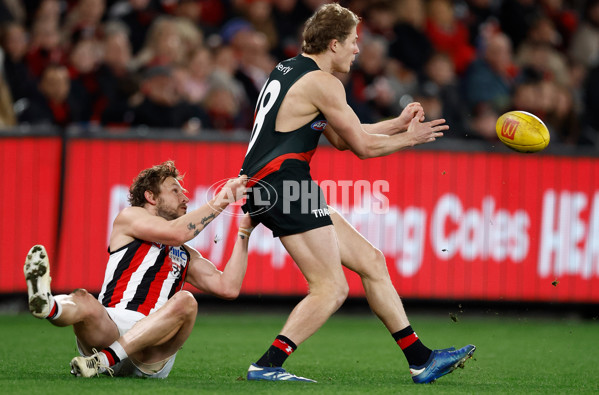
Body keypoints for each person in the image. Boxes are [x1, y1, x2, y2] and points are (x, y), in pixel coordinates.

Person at [239, 3, 475, 384]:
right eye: (353, 41)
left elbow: (342, 137)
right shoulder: (323, 82)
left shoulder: (289, 70)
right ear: (333, 43)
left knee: (371, 260)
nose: (357, 49)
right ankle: (267, 365)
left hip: (276, 184)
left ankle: (420, 359)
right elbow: (363, 148)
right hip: (285, 185)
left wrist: (397, 124)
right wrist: (409, 139)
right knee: (331, 288)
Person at [24, 161, 252, 378]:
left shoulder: (185, 254)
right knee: (83, 299)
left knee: (186, 301)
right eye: (175, 190)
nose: (185, 197)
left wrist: (245, 232)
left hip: (152, 351)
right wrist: (223, 198)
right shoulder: (130, 217)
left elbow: (228, 287)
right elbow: (178, 233)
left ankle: (105, 359)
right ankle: (47, 305)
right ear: (150, 197)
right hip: (110, 328)